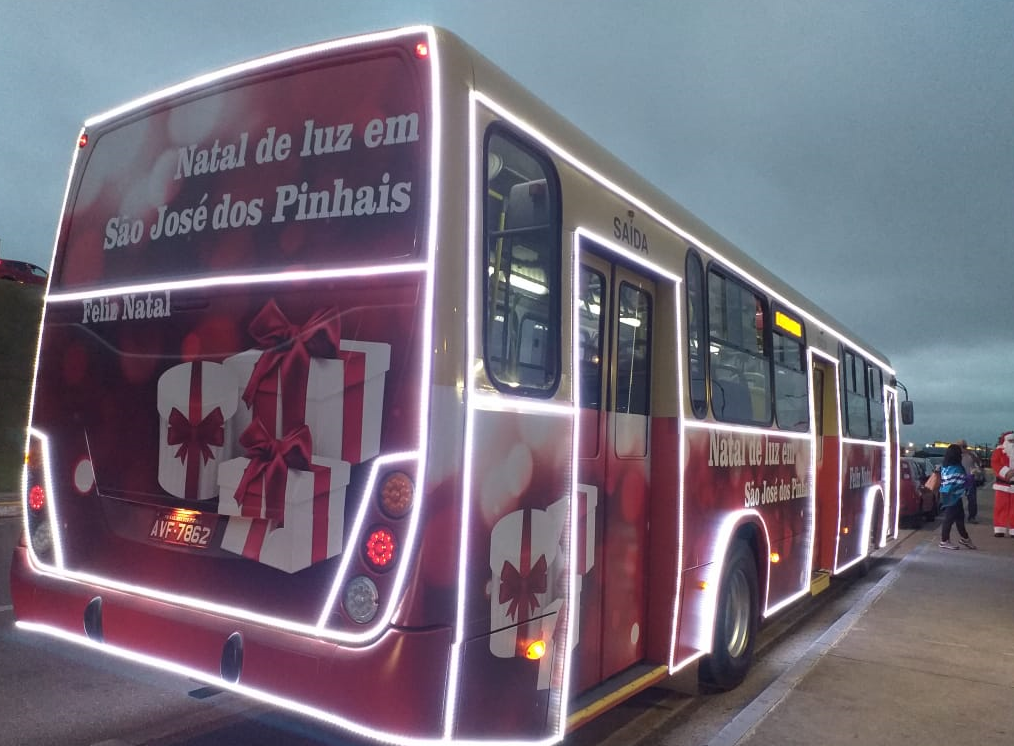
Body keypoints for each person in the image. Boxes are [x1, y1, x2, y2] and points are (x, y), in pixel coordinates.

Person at [938, 443, 976, 550]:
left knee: (959, 518)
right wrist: (971, 476)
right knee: (949, 519)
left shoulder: (945, 467)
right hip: (954, 497)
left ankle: (965, 538)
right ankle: (944, 540)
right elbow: (962, 483)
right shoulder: (957, 468)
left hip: (947, 494)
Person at [991, 431, 1014, 537]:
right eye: (1011, 441)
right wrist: (1006, 472)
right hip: (1002, 485)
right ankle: (1000, 528)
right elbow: (995, 463)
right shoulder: (999, 451)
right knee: (1001, 506)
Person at [958, 440, 978, 522]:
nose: (962, 448)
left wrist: (971, 454)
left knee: (972, 499)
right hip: (959, 479)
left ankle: (972, 516)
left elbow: (979, 463)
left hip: (970, 479)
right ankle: (959, 516)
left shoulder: (971, 454)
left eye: (964, 446)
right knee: (957, 499)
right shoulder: (956, 455)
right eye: (960, 446)